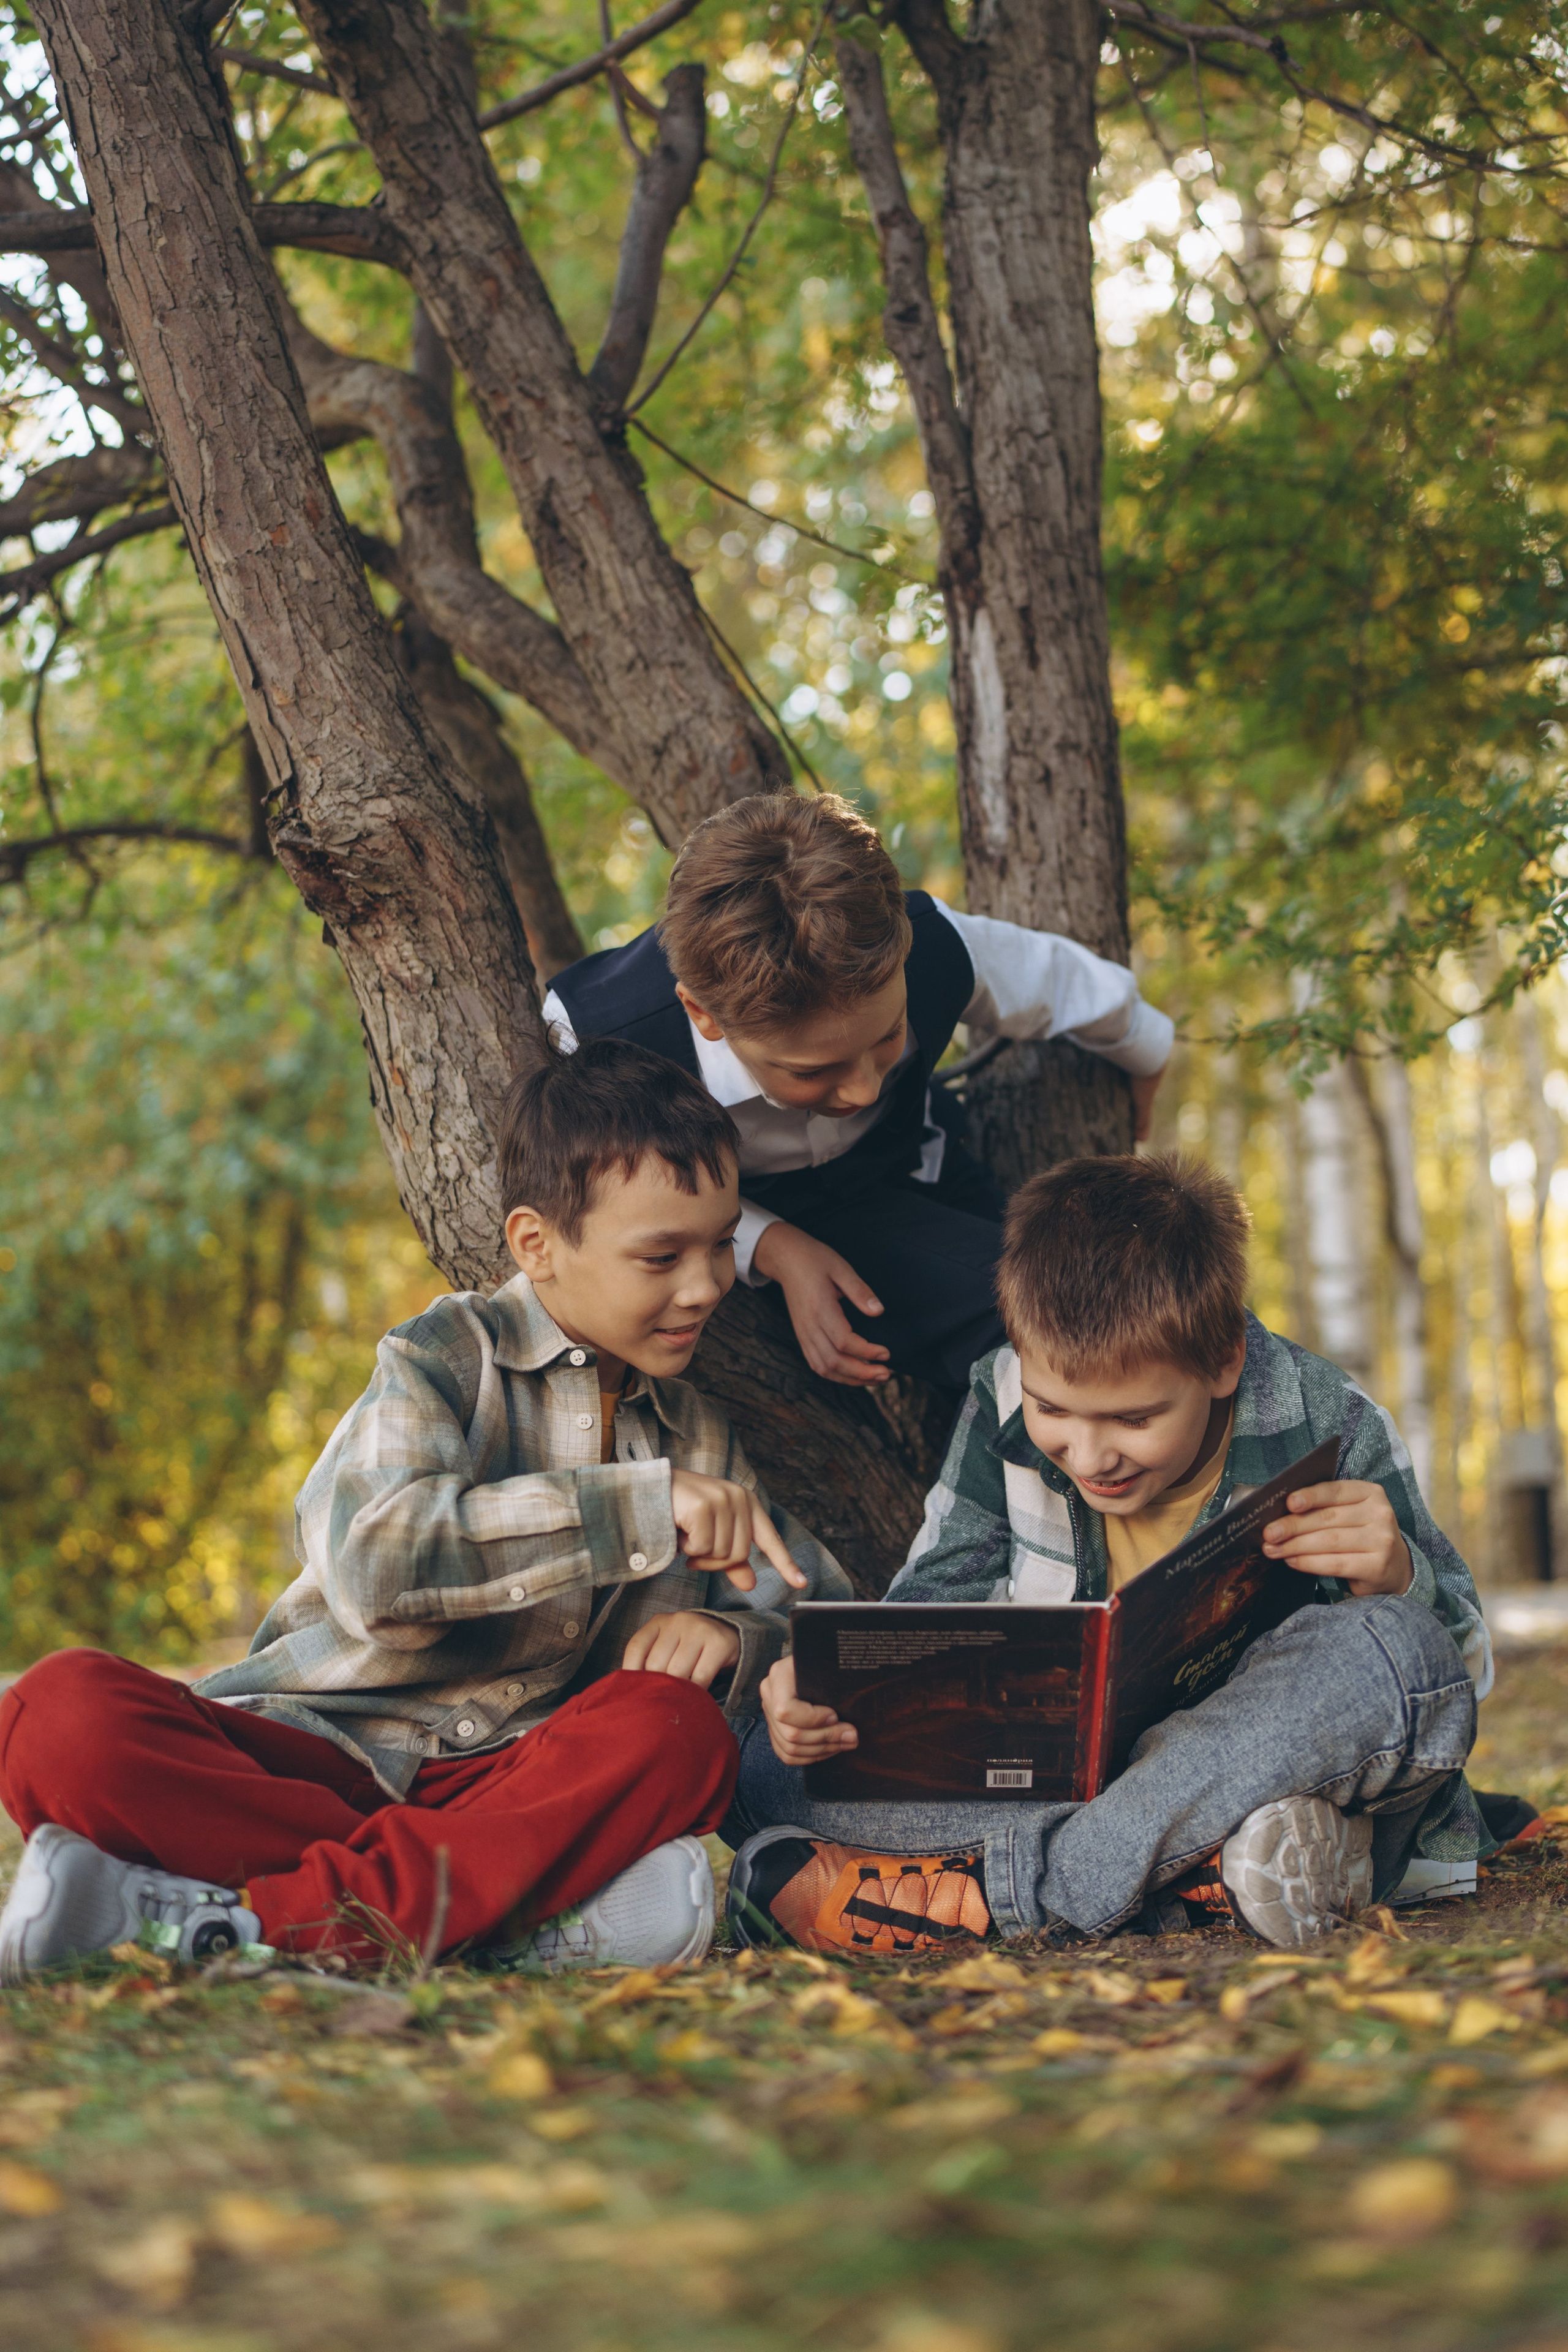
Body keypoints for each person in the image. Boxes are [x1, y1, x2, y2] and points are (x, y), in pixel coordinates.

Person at [0, 1041, 851, 1984]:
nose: (705, 1286)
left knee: (672, 1731)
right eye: (662, 1255)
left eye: (721, 1243)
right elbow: (375, 1569)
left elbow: (824, 1611)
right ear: (537, 1245)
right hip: (315, 1753)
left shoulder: (698, 1437)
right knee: (53, 1713)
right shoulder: (441, 1358)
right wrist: (628, 1509)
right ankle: (508, 1916)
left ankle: (235, 1927)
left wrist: (741, 1644)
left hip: (514, 1787)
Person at [726, 1153, 1490, 1953]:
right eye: (1055, 1408)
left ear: (1223, 1359)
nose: (1089, 1456)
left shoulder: (1327, 1416)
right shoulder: (1001, 1392)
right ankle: (1204, 1874)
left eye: (1132, 1420)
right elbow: (930, 1605)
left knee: (1391, 1654)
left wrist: (1399, 1577)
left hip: (1248, 1752)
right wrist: (839, 1694)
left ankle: (1000, 1897)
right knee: (757, 1765)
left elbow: (1448, 1685)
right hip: (1060, 1770)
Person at [545, 793, 1173, 1395]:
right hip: (768, 1213)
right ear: (703, 1014)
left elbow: (1059, 981)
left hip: (918, 1154)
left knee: (1119, 1283)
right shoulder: (604, 1038)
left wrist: (1146, 1056)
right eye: (812, 1070)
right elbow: (609, 1212)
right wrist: (770, 1245)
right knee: (1025, 1317)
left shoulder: (925, 943)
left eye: (886, 1039)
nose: (864, 1087)